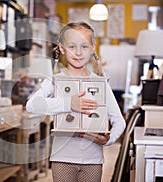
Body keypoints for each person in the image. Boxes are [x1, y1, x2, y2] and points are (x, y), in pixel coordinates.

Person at [25, 21, 126, 182]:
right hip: (62, 159)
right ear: (62, 49)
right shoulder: (54, 80)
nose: (78, 52)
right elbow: (31, 105)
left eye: (84, 46)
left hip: (93, 160)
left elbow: (118, 120)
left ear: (93, 47)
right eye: (72, 46)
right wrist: (68, 104)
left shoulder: (100, 83)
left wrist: (109, 140)